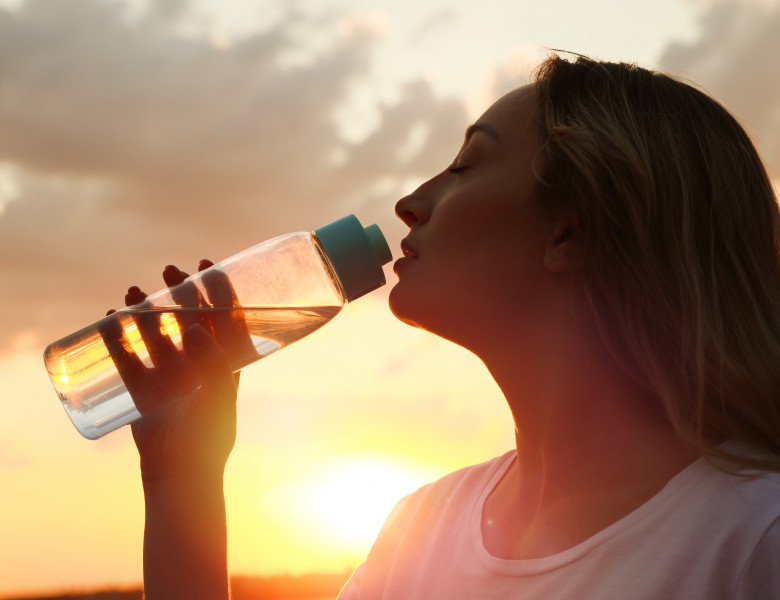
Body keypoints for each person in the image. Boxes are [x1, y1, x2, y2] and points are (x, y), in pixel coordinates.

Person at [116, 53, 780, 599]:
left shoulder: (754, 539)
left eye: (464, 167)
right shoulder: (421, 531)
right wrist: (183, 481)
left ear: (569, 231)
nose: (409, 205)